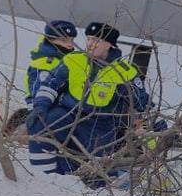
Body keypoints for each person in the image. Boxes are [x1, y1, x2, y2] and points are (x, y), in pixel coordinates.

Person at [28, 22, 149, 179]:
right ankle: (44, 177)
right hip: (68, 113)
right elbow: (50, 85)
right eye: (89, 39)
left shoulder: (124, 71)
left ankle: (92, 188)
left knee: (98, 172)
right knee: (41, 122)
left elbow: (142, 104)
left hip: (101, 124)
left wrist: (157, 131)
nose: (90, 44)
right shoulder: (73, 59)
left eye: (96, 40)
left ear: (108, 45)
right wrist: (40, 107)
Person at [24, 20, 78, 171]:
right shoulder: (47, 63)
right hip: (45, 110)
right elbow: (40, 91)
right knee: (46, 140)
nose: (69, 45)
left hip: (54, 109)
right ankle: (46, 173)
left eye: (71, 40)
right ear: (50, 39)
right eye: (63, 40)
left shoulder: (61, 58)